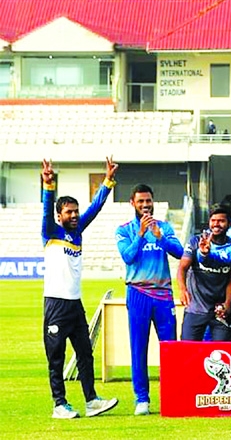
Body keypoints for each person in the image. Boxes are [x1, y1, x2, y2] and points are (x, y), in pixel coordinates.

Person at [41, 157, 119, 419]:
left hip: (75, 304)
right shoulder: (50, 231)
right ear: (59, 215)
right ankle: (59, 404)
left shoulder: (77, 231)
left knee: (85, 354)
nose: (74, 215)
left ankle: (91, 400)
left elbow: (95, 208)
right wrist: (48, 185)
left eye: (75, 211)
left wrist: (108, 180)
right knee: (57, 357)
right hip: (56, 303)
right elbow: (45, 210)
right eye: (69, 212)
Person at [115, 183, 183, 416]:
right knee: (138, 348)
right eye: (141, 201)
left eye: (148, 201)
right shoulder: (124, 230)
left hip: (163, 295)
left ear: (153, 202)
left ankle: (172, 396)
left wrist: (159, 237)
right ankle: (141, 399)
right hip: (138, 294)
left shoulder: (164, 227)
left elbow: (180, 252)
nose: (145, 205)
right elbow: (128, 257)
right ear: (132, 203)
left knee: (170, 348)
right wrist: (142, 235)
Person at [177, 206, 231, 341]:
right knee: (188, 353)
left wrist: (227, 305)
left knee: (221, 355)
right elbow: (182, 267)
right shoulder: (195, 242)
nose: (216, 224)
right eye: (213, 220)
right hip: (195, 308)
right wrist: (182, 289)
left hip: (219, 311)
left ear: (230, 224)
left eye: (221, 221)